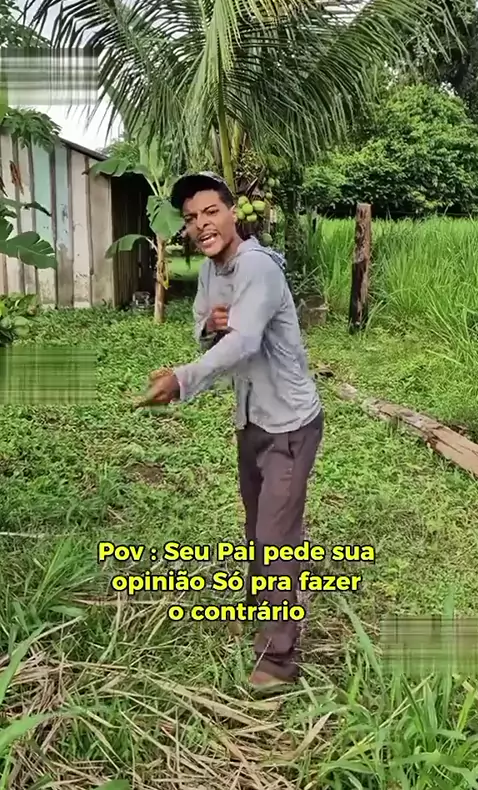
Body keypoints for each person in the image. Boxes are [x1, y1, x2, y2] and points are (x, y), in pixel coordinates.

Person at [143, 172, 324, 688]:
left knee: (274, 539)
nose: (201, 225)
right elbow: (203, 326)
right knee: (258, 528)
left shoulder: (259, 268)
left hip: (290, 423)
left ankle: (278, 659)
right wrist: (211, 325)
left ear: (232, 213)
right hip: (251, 418)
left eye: (211, 212)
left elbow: (244, 343)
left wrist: (182, 379)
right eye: (191, 218)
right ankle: (264, 604)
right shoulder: (209, 271)